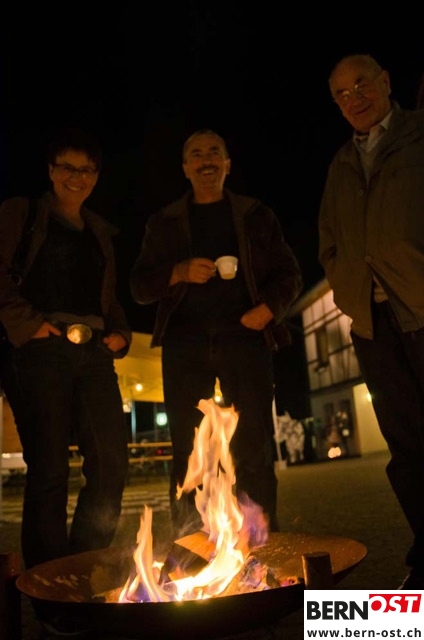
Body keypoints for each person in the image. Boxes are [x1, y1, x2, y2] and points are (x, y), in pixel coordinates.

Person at [130, 129, 302, 535]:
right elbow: (139, 286)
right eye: (196, 154)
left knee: (254, 446)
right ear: (185, 168)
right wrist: (178, 272)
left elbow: (290, 275)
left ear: (227, 164)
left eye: (214, 153)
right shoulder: (164, 222)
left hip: (245, 338)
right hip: (185, 343)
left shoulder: (256, 215)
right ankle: (191, 545)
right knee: (188, 449)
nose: (205, 160)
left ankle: (261, 542)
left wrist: (267, 310)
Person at [0, 128, 131, 632]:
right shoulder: (22, 214)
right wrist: (29, 324)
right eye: (67, 167)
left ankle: (83, 572)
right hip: (39, 350)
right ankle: (50, 594)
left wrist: (119, 333)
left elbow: (108, 296)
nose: (77, 177)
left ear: (97, 176)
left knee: (111, 464)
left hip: (94, 352)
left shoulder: (100, 231)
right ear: (51, 171)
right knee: (49, 470)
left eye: (87, 170)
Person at [319, 54, 424, 589]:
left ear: (385, 82)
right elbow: (329, 242)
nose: (353, 98)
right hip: (372, 324)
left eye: (361, 85)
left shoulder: (417, 135)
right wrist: (346, 290)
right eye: (341, 93)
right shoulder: (341, 163)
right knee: (406, 447)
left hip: (421, 307)